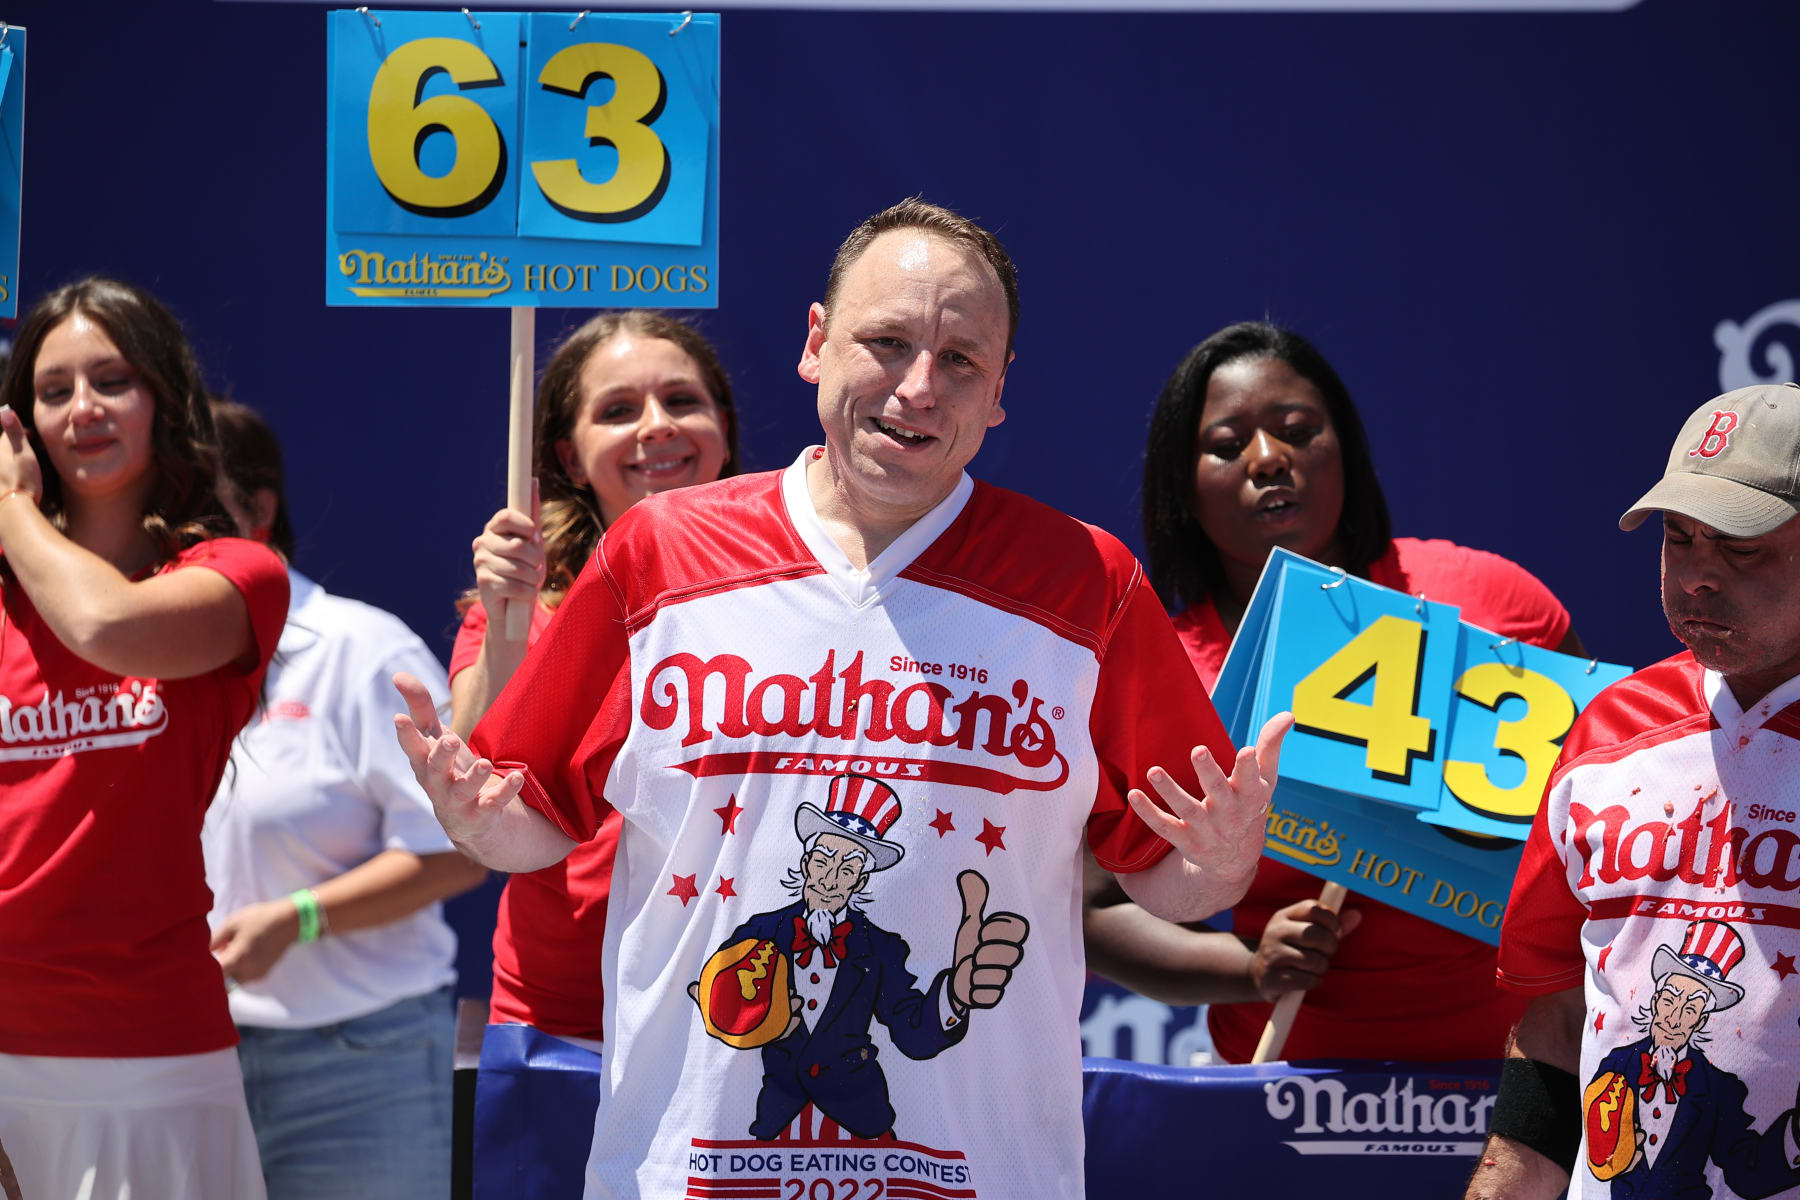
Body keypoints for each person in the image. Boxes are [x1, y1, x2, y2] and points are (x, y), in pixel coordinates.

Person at [394, 198, 1292, 1199]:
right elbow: (531, 828)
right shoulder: (657, 554)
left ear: (1000, 389)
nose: (919, 387)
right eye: (888, 342)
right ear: (816, 344)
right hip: (693, 1172)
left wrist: (1221, 865)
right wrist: (475, 818)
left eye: (960, 360)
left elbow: (1169, 879)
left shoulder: (1089, 582)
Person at [1084, 321, 1583, 1064]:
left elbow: (1608, 824)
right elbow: (1096, 910)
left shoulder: (1493, 601)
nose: (1268, 459)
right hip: (1283, 1090)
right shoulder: (1163, 669)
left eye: (1297, 431)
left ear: (1345, 449)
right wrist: (1248, 968)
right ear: (1182, 488)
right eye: (1227, 445)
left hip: (1514, 1080)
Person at [1469, 382, 1800, 1200]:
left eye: (1741, 547)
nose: (1698, 576)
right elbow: (1554, 1018)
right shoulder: (1607, 734)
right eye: (1679, 538)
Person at [0, 279, 289, 1199]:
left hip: (148, 1062)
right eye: (54, 391)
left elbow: (106, 627)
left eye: (112, 380)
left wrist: (10, 509)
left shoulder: (235, 574)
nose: (82, 408)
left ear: (164, 397)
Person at [446, 309, 738, 1192]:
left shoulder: (799, 592)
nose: (656, 426)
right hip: (562, 1028)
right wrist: (509, 623)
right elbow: (476, 787)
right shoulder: (518, 608)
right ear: (570, 459)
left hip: (737, 1018)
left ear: (723, 428)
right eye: (617, 410)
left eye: (681, 400)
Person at [201, 399, 487, 1199]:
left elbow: (459, 851)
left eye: (199, 507)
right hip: (190, 1057)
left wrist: (298, 919)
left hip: (358, 1063)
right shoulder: (150, 663)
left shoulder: (361, 648)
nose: (177, 540)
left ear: (258, 512)